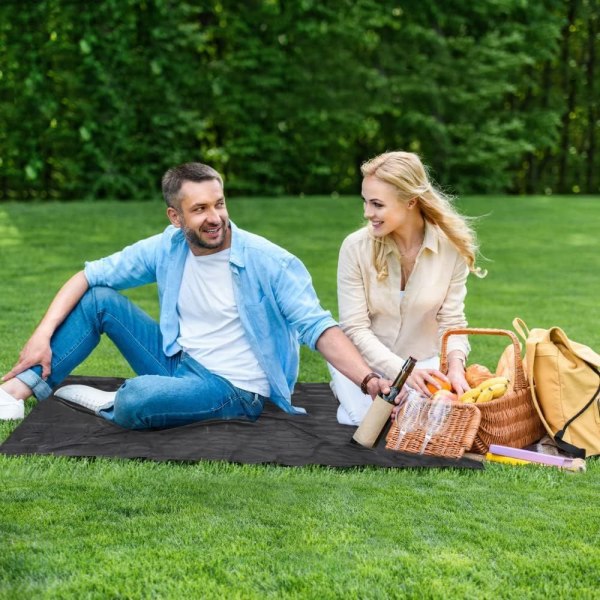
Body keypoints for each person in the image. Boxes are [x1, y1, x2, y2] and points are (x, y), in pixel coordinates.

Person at [0, 162, 391, 427]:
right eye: (200, 209)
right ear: (176, 218)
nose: (215, 217)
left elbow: (318, 326)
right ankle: (16, 392)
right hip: (178, 361)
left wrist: (368, 380)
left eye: (219, 204)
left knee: (137, 399)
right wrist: (41, 334)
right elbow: (87, 276)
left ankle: (111, 402)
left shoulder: (269, 261)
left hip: (234, 388)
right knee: (100, 299)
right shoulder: (167, 247)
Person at [329, 151, 486, 426]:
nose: (368, 214)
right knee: (367, 421)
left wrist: (457, 369)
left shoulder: (450, 248)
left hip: (421, 364)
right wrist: (398, 372)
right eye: (365, 202)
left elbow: (453, 321)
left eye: (377, 204)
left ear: (411, 201)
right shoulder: (354, 247)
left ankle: (381, 405)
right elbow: (354, 328)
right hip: (363, 365)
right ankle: (354, 397)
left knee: (425, 420)